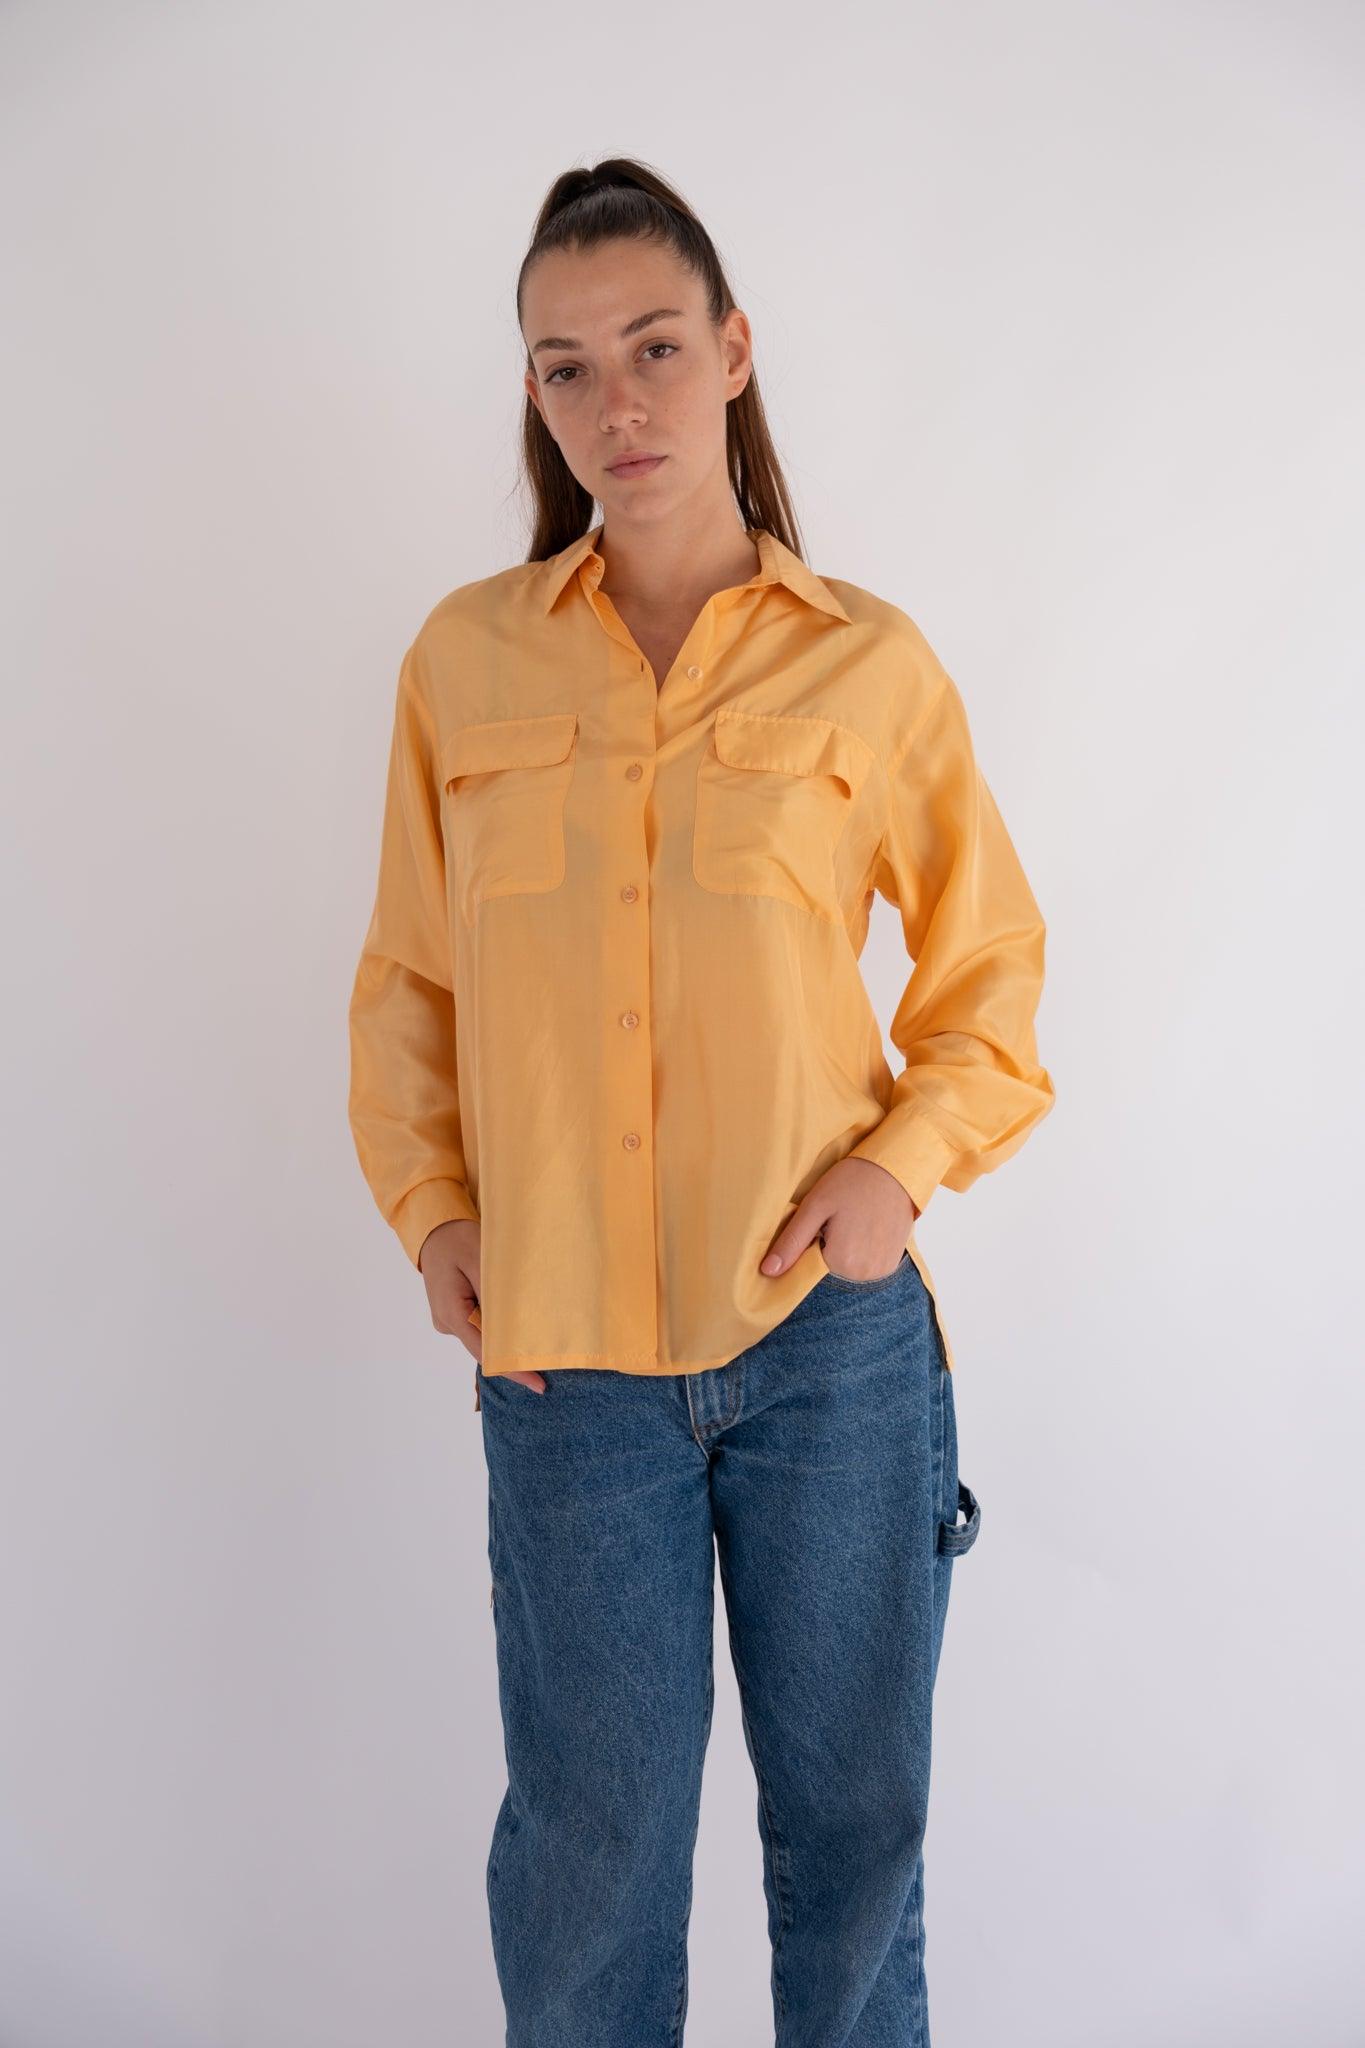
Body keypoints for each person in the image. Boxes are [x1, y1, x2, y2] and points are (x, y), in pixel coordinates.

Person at [348, 156, 1054, 2048]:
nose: (618, 404)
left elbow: (990, 974)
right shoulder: (463, 662)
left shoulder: (867, 665)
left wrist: (897, 1174)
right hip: (565, 1368)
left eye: (655, 347)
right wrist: (435, 1211)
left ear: (734, 351)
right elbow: (408, 986)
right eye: (565, 367)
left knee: (854, 1847)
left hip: (829, 1351)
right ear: (534, 394)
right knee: (589, 1866)